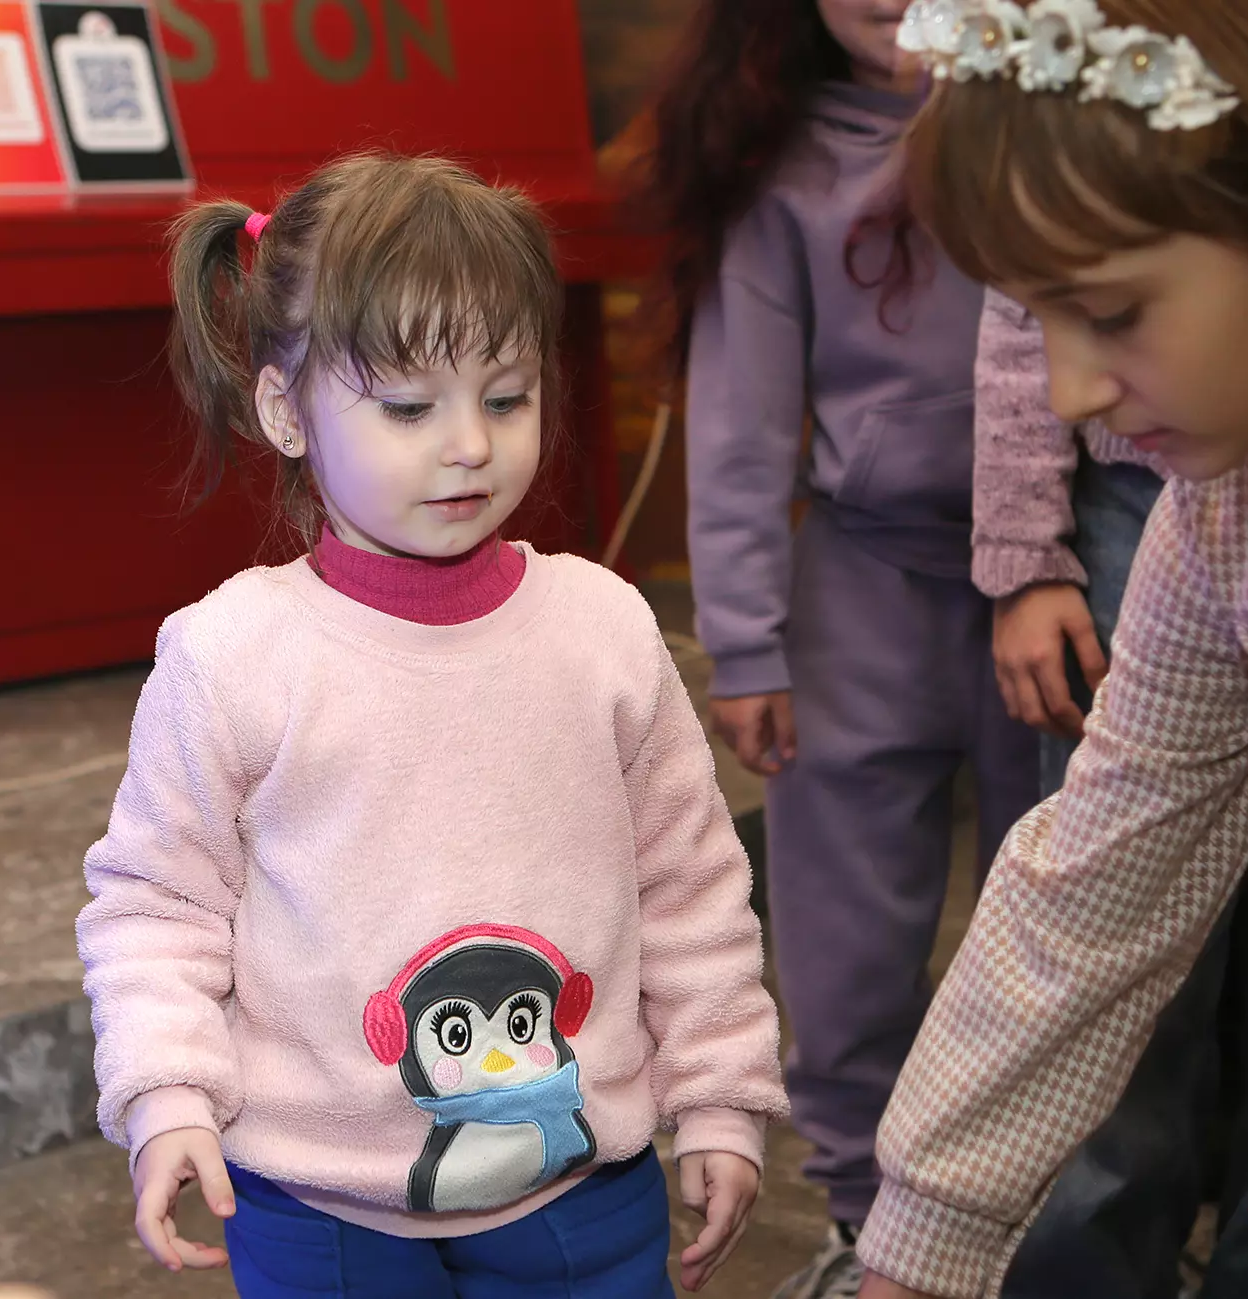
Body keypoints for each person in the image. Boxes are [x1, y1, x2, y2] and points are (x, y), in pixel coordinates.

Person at [850, 2, 1248, 1296]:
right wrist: (924, 1241)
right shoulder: (1226, 522)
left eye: (1112, 311)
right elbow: (1095, 882)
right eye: (1042, 318)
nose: (1072, 391)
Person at [76, 152, 788, 1299]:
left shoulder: (603, 628)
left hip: (584, 1195)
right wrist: (166, 1093)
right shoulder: (230, 655)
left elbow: (690, 885)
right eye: (409, 407)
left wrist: (718, 1091)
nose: (469, 445)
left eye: (505, 397)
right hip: (317, 1214)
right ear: (284, 410)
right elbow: (157, 909)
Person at [640, 5, 1041, 1292]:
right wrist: (745, 644)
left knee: (1060, 931)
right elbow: (739, 426)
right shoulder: (783, 167)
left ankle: (1056, 1221)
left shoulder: (1057, 123)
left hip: (1057, 584)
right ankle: (869, 1222)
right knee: (845, 948)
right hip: (860, 589)